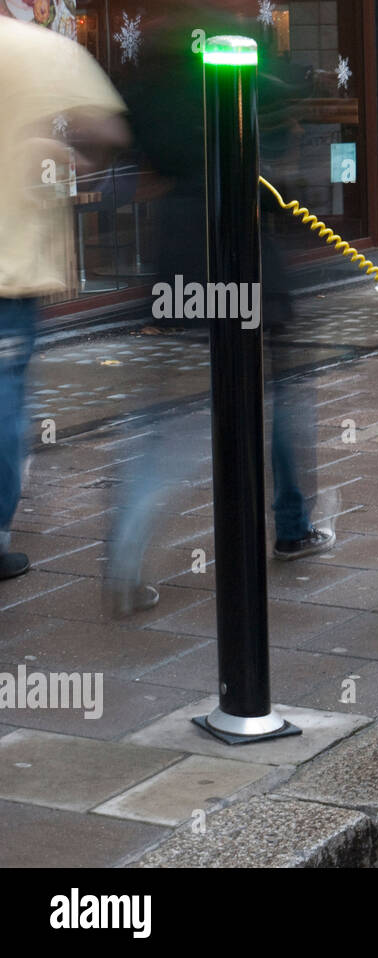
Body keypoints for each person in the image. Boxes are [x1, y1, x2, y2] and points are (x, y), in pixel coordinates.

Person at [104, 0, 332, 614]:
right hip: (243, 246)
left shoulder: (145, 76)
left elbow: (132, 156)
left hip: (178, 247)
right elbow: (278, 145)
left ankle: (125, 548)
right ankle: (291, 524)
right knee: (284, 385)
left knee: (167, 417)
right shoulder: (237, 54)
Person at [0, 20, 129, 582]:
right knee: (4, 400)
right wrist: (71, 161)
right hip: (10, 272)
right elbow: (106, 128)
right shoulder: (40, 48)